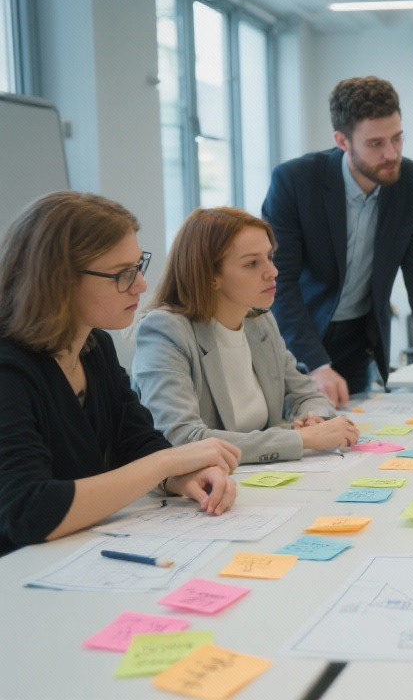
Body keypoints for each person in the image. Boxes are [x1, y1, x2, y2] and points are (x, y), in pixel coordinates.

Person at [0, 192, 240, 556]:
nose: (141, 285)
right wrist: (167, 463)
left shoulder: (95, 347)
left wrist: (185, 477)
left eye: (138, 266)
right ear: (60, 280)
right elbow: (29, 511)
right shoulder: (9, 370)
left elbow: (138, 444)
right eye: (122, 275)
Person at [261, 75, 413, 407]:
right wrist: (316, 364)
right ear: (342, 140)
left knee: (353, 436)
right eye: (376, 144)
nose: (391, 154)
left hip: (357, 339)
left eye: (397, 138)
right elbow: (280, 281)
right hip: (296, 340)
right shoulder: (295, 181)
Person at [132, 207, 361, 464]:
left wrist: (314, 419)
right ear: (210, 276)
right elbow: (181, 438)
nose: (272, 271)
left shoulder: (260, 321)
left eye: (270, 257)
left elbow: (306, 394)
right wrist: (302, 440)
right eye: (252, 263)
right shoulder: (165, 330)